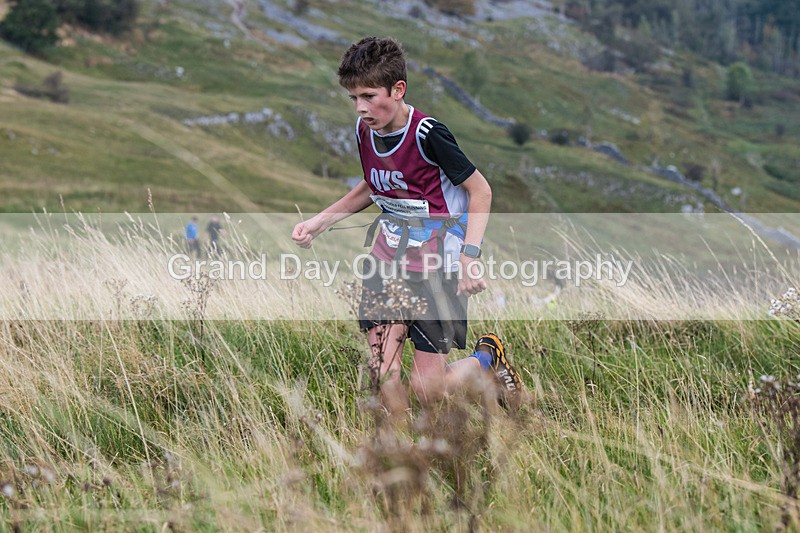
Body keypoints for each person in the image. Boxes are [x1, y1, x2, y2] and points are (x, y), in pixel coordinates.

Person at [292, 37, 522, 419]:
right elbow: (374, 184)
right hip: (386, 261)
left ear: (398, 90)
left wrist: (469, 258)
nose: (361, 107)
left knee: (428, 391)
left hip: (439, 267)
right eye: (354, 98)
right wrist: (320, 222)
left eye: (369, 96)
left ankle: (487, 360)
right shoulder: (365, 130)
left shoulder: (429, 135)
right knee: (383, 374)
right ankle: (404, 450)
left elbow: (481, 190)